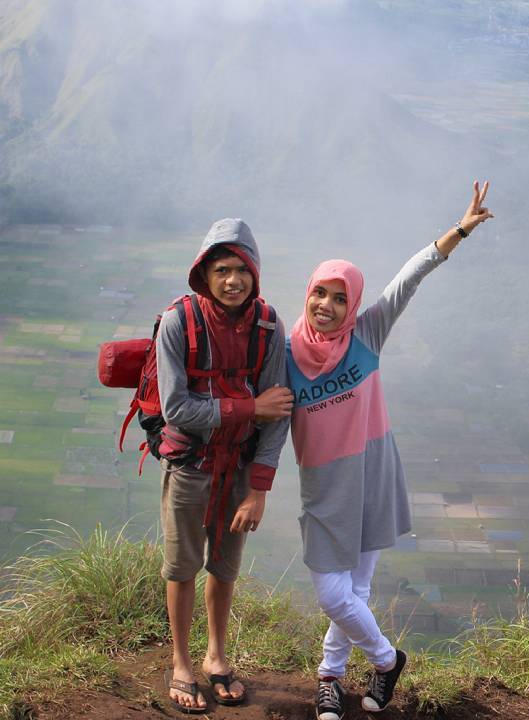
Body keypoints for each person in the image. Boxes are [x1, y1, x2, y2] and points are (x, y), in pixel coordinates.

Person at [286, 182, 494, 718]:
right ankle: (386, 659)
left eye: (339, 297)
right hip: (326, 487)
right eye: (320, 293)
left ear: (352, 302)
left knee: (357, 589)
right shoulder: (284, 354)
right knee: (334, 594)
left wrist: (460, 230)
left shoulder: (368, 333)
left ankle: (330, 678)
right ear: (306, 292)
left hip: (375, 472)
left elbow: (408, 280)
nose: (327, 306)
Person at [157, 218, 293, 713]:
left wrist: (258, 488)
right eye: (222, 270)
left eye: (242, 270)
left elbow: (279, 410)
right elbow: (177, 409)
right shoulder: (179, 323)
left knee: (225, 565)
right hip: (192, 465)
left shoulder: (268, 326)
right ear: (204, 273)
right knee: (183, 564)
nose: (233, 280)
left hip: (239, 469)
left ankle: (216, 657)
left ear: (255, 273)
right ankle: (181, 663)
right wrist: (246, 408)